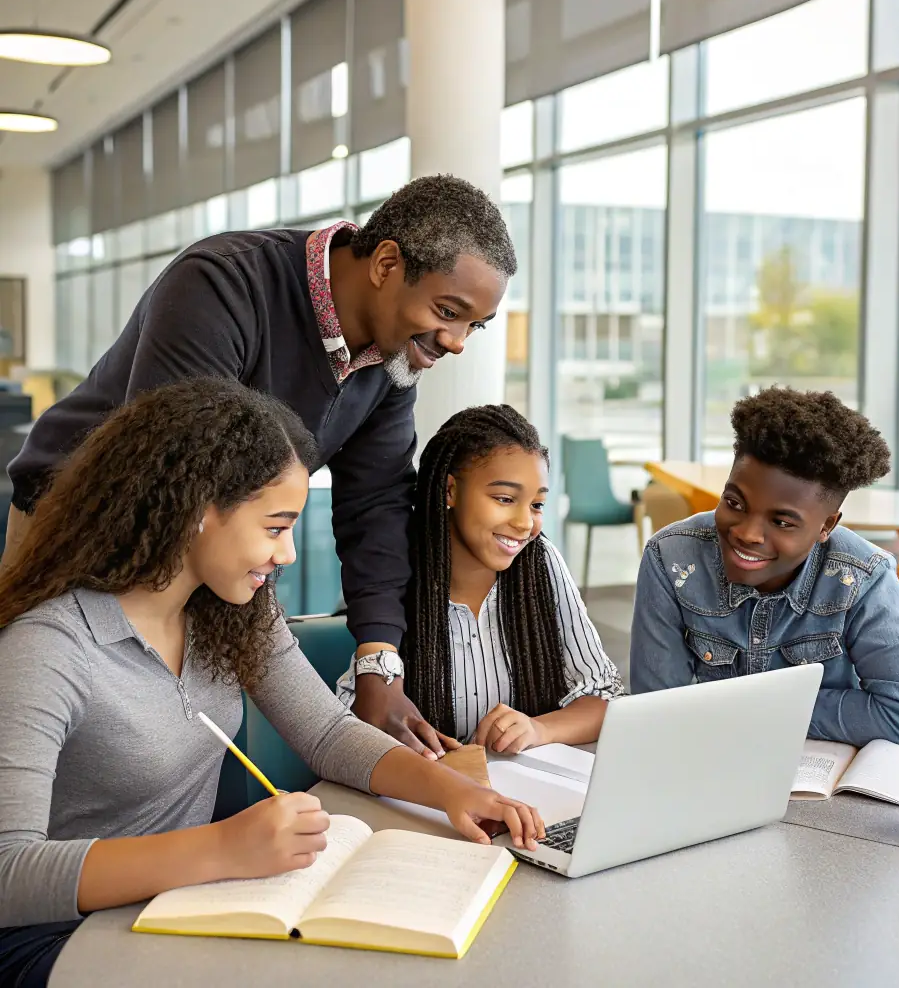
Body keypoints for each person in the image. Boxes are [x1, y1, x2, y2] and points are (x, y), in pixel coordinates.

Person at [0, 379, 542, 985]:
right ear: (196, 511)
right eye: (275, 526)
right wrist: (219, 850)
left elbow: (329, 733)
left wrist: (449, 792)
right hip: (61, 939)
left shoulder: (229, 611)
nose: (286, 554)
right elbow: (8, 874)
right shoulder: (48, 648)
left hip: (185, 910)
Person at [4, 175, 516, 759]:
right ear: (386, 264)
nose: (456, 342)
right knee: (55, 749)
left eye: (474, 325)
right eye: (448, 311)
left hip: (209, 547)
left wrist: (379, 661)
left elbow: (375, 504)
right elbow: (177, 473)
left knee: (177, 748)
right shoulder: (223, 284)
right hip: (82, 519)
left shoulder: (392, 360)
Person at [630, 387, 899, 747]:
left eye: (782, 522)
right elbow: (653, 710)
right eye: (734, 502)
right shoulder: (672, 557)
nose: (747, 533)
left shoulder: (860, 577)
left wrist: (750, 707)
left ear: (826, 526)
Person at [337, 405, 624, 752]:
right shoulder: (394, 576)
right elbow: (351, 726)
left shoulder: (541, 563)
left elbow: (604, 697)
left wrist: (538, 730)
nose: (524, 523)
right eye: (505, 499)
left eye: (536, 505)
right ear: (450, 491)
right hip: (425, 793)